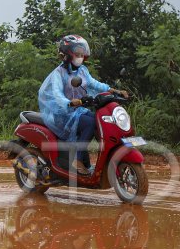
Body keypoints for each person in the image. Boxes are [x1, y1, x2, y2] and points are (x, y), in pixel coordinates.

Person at [37, 35, 127, 175]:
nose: (80, 56)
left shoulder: (82, 70)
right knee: (90, 124)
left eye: (81, 54)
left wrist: (113, 90)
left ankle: (90, 160)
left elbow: (93, 83)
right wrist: (69, 102)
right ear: (67, 55)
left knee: (98, 121)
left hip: (77, 110)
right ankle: (77, 160)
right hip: (62, 113)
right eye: (76, 54)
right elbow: (57, 95)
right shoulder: (58, 74)